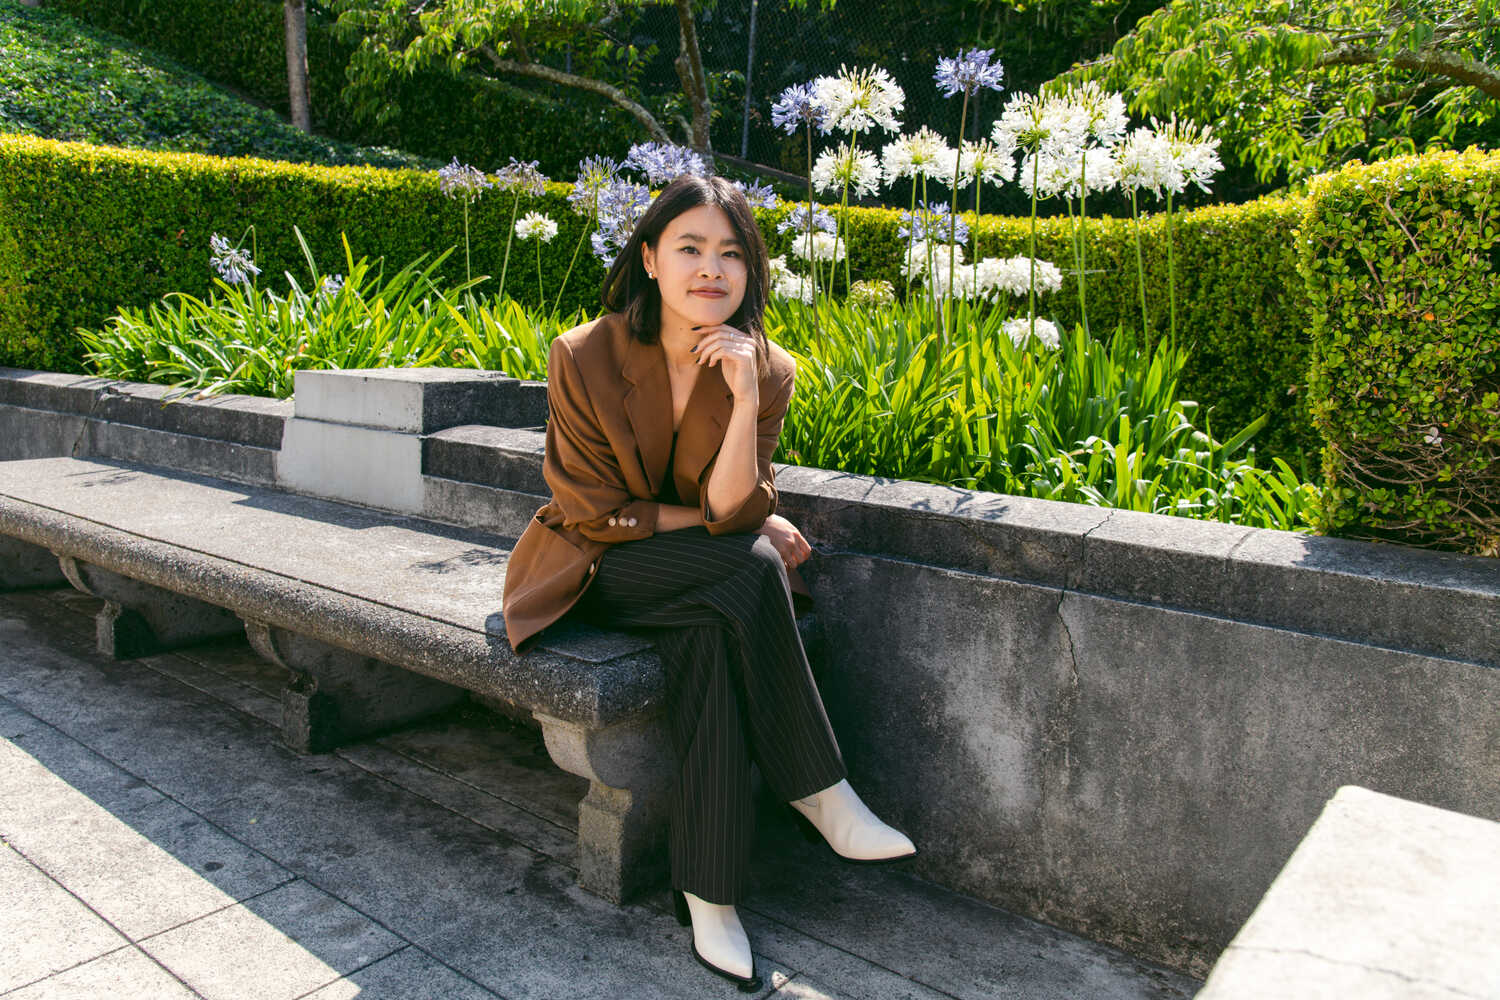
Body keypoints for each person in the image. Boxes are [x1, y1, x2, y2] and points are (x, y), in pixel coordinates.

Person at [501, 172, 916, 991]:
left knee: (708, 639)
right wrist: (750, 525)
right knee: (753, 567)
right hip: (594, 568)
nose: (710, 270)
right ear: (650, 258)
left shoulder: (766, 367)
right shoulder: (584, 354)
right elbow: (593, 512)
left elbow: (729, 505)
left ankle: (710, 893)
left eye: (731, 254)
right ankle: (821, 793)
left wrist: (745, 395)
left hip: (700, 582)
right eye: (689, 248)